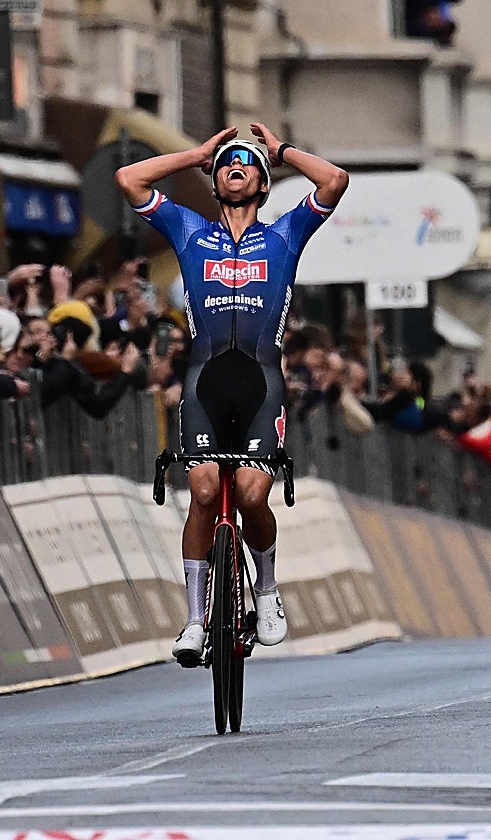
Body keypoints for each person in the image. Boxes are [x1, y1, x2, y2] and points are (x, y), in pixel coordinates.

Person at [115, 123, 349, 666]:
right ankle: (195, 622)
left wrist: (283, 151)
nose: (234, 166)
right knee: (201, 492)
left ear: (264, 185)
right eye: (225, 163)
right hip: (205, 381)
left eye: (246, 163)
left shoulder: (285, 235)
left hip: (262, 383)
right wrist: (194, 154)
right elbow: (128, 179)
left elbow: (335, 181)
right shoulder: (191, 231)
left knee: (248, 495)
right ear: (214, 180)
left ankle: (265, 591)